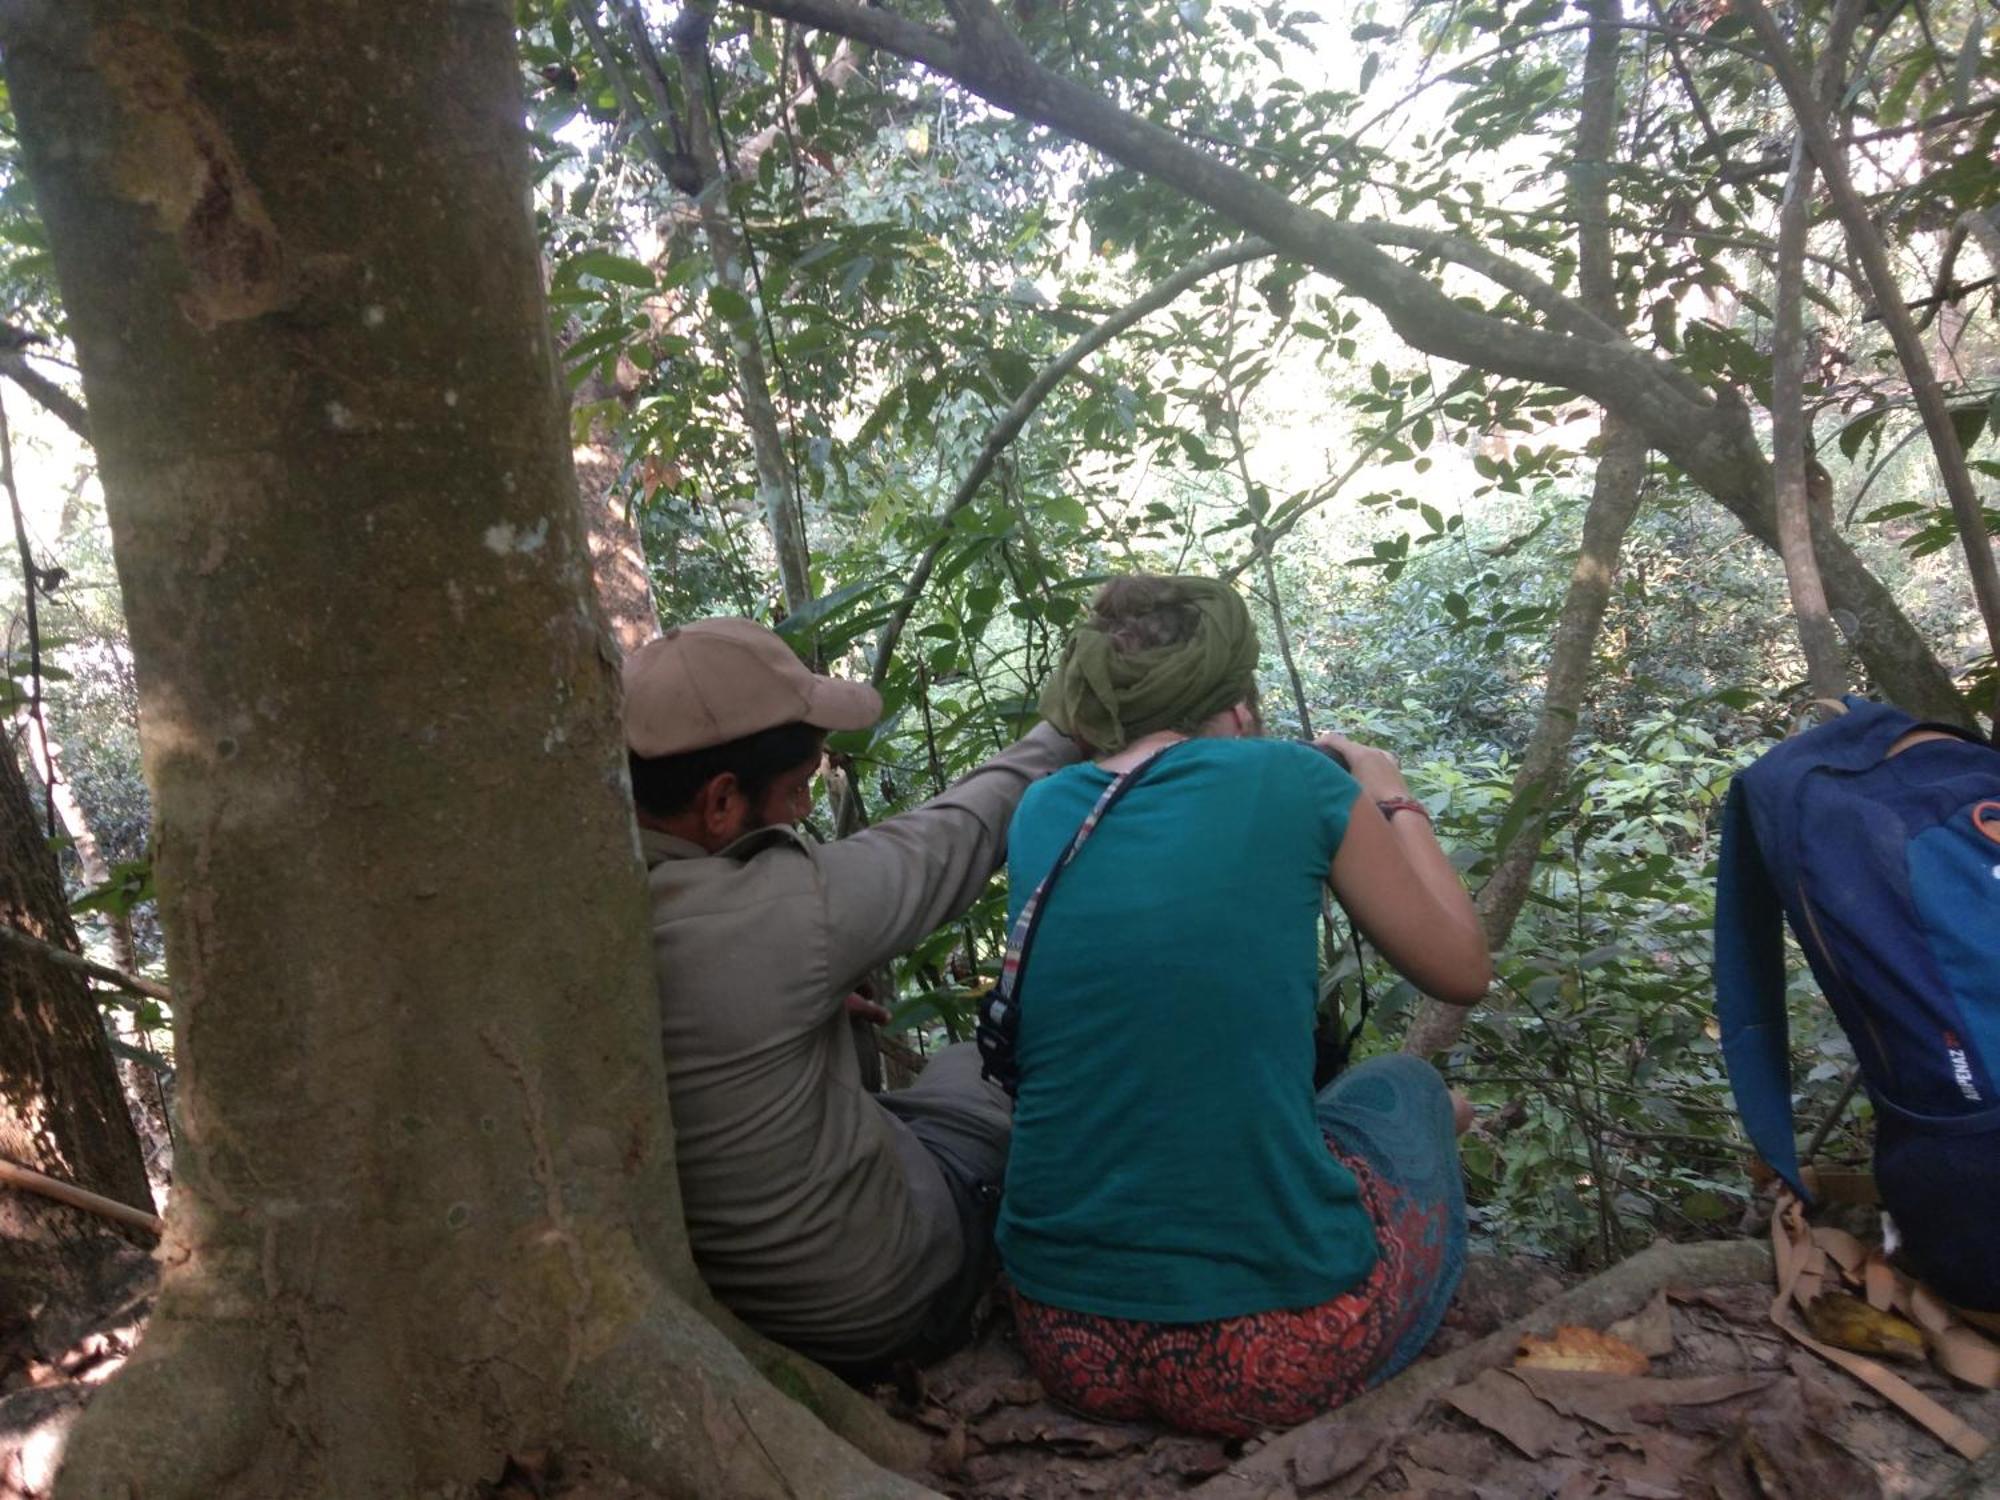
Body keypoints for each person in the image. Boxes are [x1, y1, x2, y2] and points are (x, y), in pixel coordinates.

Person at [994, 574, 1491, 1437]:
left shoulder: (1044, 810)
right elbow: (1461, 970)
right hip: (1275, 1353)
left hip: (1065, 1336)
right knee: (1410, 1087)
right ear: (1237, 701)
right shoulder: (1294, 781)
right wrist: (1390, 795)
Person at [622, 616, 1079, 1371]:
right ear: (720, 802)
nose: (806, 810)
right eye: (799, 790)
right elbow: (955, 834)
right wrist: (1065, 729)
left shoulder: (585, 902)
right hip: (883, 1305)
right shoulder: (781, 912)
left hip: (740, 1292)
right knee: (977, 1067)